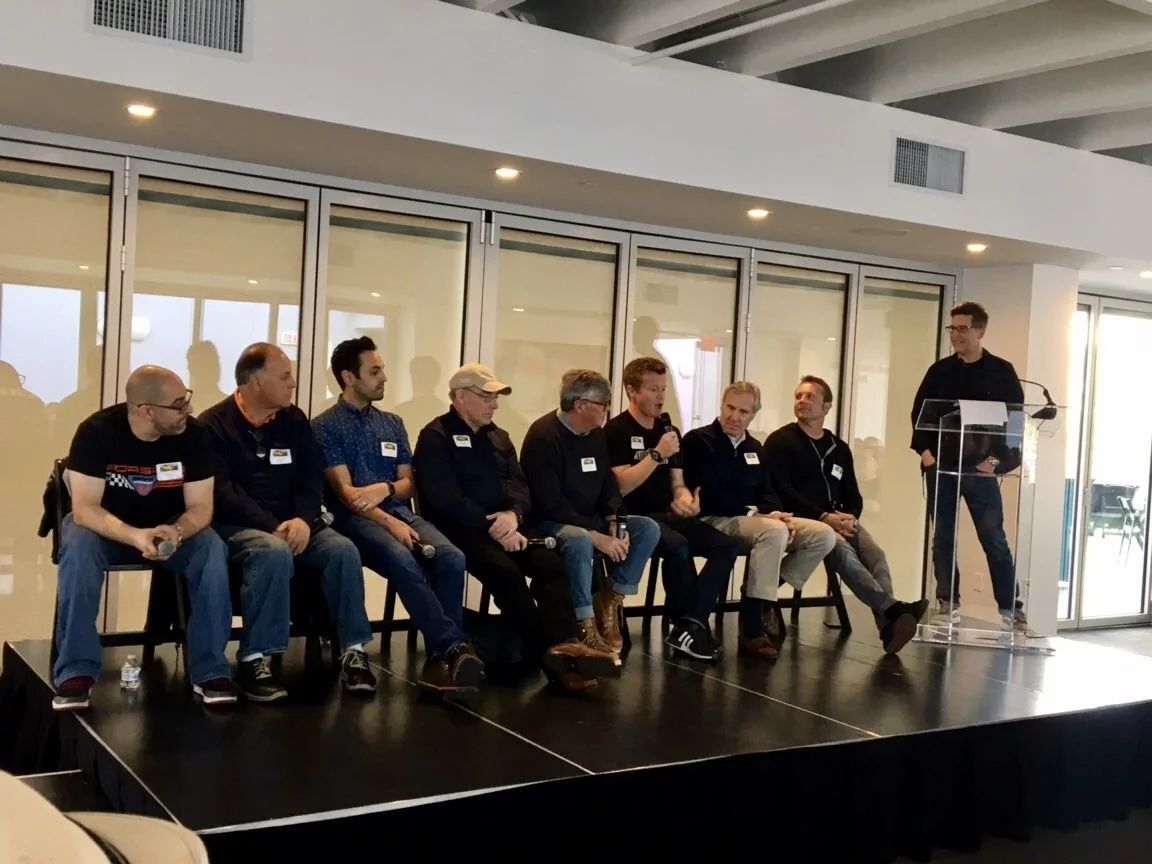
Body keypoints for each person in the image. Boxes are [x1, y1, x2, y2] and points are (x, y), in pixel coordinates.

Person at [413, 363, 621, 692]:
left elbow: (520, 487)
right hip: (460, 532)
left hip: (509, 527)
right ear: (460, 397)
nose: (495, 405)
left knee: (553, 567)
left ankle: (567, 643)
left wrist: (513, 517)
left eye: (496, 398)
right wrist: (492, 524)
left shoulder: (500, 436)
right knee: (506, 573)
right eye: (487, 397)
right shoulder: (435, 436)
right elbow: (445, 499)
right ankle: (553, 660)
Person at [199, 343, 376, 702]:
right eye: (284, 377)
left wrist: (304, 520)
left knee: (342, 549)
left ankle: (353, 651)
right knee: (272, 550)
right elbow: (222, 493)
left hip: (296, 523)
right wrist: (273, 525)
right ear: (255, 382)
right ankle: (255, 658)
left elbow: (311, 478)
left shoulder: (293, 420)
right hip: (236, 525)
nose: (292, 383)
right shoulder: (213, 425)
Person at [52, 366, 234, 711]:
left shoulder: (194, 436)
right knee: (76, 546)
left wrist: (177, 530)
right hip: (106, 527)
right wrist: (135, 536)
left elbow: (200, 507)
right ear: (146, 410)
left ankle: (211, 670)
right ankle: (75, 670)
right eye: (178, 405)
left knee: (212, 548)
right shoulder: (97, 432)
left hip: (168, 526)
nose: (188, 410)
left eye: (187, 400)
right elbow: (85, 510)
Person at [311, 337, 484, 695]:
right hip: (354, 520)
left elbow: (408, 483)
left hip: (397, 509)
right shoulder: (325, 426)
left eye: (383, 370)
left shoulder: (392, 423)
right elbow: (348, 496)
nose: (384, 378)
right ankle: (455, 647)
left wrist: (386, 491)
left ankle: (442, 656)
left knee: (453, 557)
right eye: (374, 371)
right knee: (403, 559)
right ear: (348, 377)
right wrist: (391, 523)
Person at [764, 376, 929, 654]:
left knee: (875, 554)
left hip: (839, 519)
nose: (802, 402)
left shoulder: (838, 448)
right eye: (798, 396)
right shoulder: (781, 441)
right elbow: (781, 489)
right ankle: (893, 609)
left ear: (827, 406)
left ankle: (888, 627)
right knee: (842, 551)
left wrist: (850, 517)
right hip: (800, 519)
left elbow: (853, 494)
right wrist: (823, 517)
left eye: (810, 397)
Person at [682, 382, 837, 660]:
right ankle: (753, 627)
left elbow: (768, 491)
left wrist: (779, 514)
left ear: (753, 415)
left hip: (758, 520)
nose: (734, 416)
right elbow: (707, 495)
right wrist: (759, 515)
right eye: (730, 408)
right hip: (715, 519)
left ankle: (760, 597)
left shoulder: (754, 447)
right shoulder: (698, 440)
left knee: (823, 534)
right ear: (721, 405)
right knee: (773, 531)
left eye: (743, 411)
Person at [604, 357, 737, 661]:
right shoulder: (616, 430)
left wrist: (684, 498)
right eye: (653, 389)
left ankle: (690, 623)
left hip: (670, 515)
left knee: (725, 547)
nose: (661, 396)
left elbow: (677, 481)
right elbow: (621, 486)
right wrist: (655, 453)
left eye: (664, 389)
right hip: (635, 518)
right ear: (631, 391)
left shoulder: (668, 429)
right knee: (678, 547)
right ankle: (686, 626)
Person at [520, 369, 660, 653]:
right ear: (581, 405)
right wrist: (595, 534)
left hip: (591, 518)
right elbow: (550, 503)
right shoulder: (544, 437)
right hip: (551, 521)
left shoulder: (595, 435)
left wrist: (613, 516)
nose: (608, 411)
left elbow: (608, 483)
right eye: (603, 405)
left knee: (646, 528)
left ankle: (611, 596)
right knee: (580, 539)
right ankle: (584, 622)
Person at [910, 301, 1029, 632]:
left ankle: (1011, 608)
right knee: (943, 537)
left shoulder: (1001, 372)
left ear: (981, 331)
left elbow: (1015, 423)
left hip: (981, 469)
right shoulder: (940, 371)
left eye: (963, 329)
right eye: (953, 329)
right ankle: (948, 603)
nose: (956, 335)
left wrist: (997, 462)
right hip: (942, 467)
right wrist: (926, 453)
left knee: (993, 538)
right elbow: (919, 414)